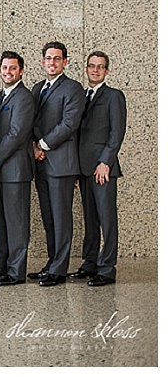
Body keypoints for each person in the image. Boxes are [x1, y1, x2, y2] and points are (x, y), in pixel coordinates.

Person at [29, 41, 84, 287]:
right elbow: (29, 120)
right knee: (49, 217)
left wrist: (42, 145)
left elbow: (69, 124)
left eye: (57, 58)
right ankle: (52, 262)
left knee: (61, 218)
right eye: (48, 58)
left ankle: (59, 269)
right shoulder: (37, 88)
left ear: (65, 62)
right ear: (42, 62)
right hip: (40, 163)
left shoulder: (73, 88)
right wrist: (33, 146)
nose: (52, 62)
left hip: (61, 163)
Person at [70, 51, 126, 287]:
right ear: (86, 68)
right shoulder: (82, 96)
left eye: (100, 67)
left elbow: (116, 133)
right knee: (90, 219)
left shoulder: (114, 96)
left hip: (103, 169)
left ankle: (107, 268)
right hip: (84, 169)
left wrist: (106, 162)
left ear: (107, 71)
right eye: (92, 66)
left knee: (106, 219)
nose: (95, 70)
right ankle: (90, 262)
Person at [0, 52, 35, 286]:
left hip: (14, 170)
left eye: (12, 68)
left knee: (16, 222)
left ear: (21, 71)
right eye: (4, 67)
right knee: (1, 220)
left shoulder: (24, 97)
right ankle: (2, 264)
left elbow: (16, 134)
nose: (8, 72)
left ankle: (16, 272)